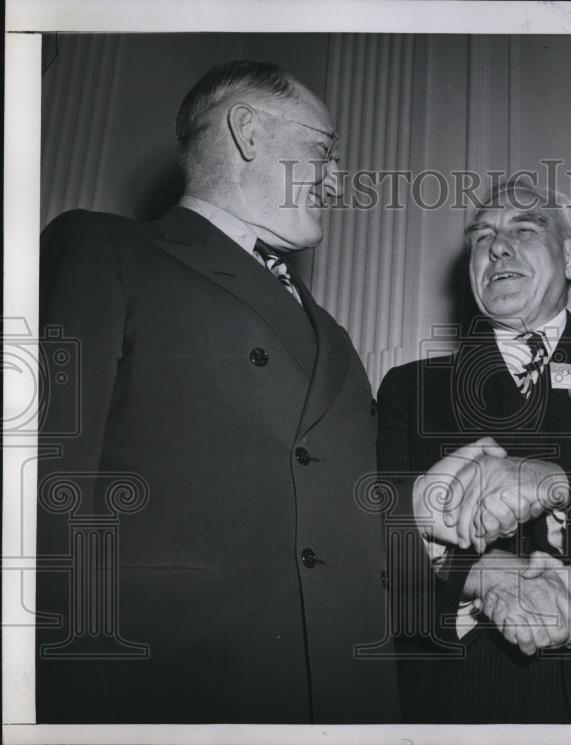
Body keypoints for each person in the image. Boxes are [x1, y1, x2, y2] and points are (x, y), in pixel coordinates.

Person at [35, 60, 399, 723]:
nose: (340, 179)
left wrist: (433, 525)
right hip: (170, 701)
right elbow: (40, 501)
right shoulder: (106, 251)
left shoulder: (334, 333)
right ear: (248, 131)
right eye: (324, 149)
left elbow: (331, 524)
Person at [376, 177, 571, 723]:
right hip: (463, 693)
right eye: (482, 237)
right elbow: (383, 537)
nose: (497, 246)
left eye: (524, 229)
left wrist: (557, 482)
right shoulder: (410, 388)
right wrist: (478, 578)